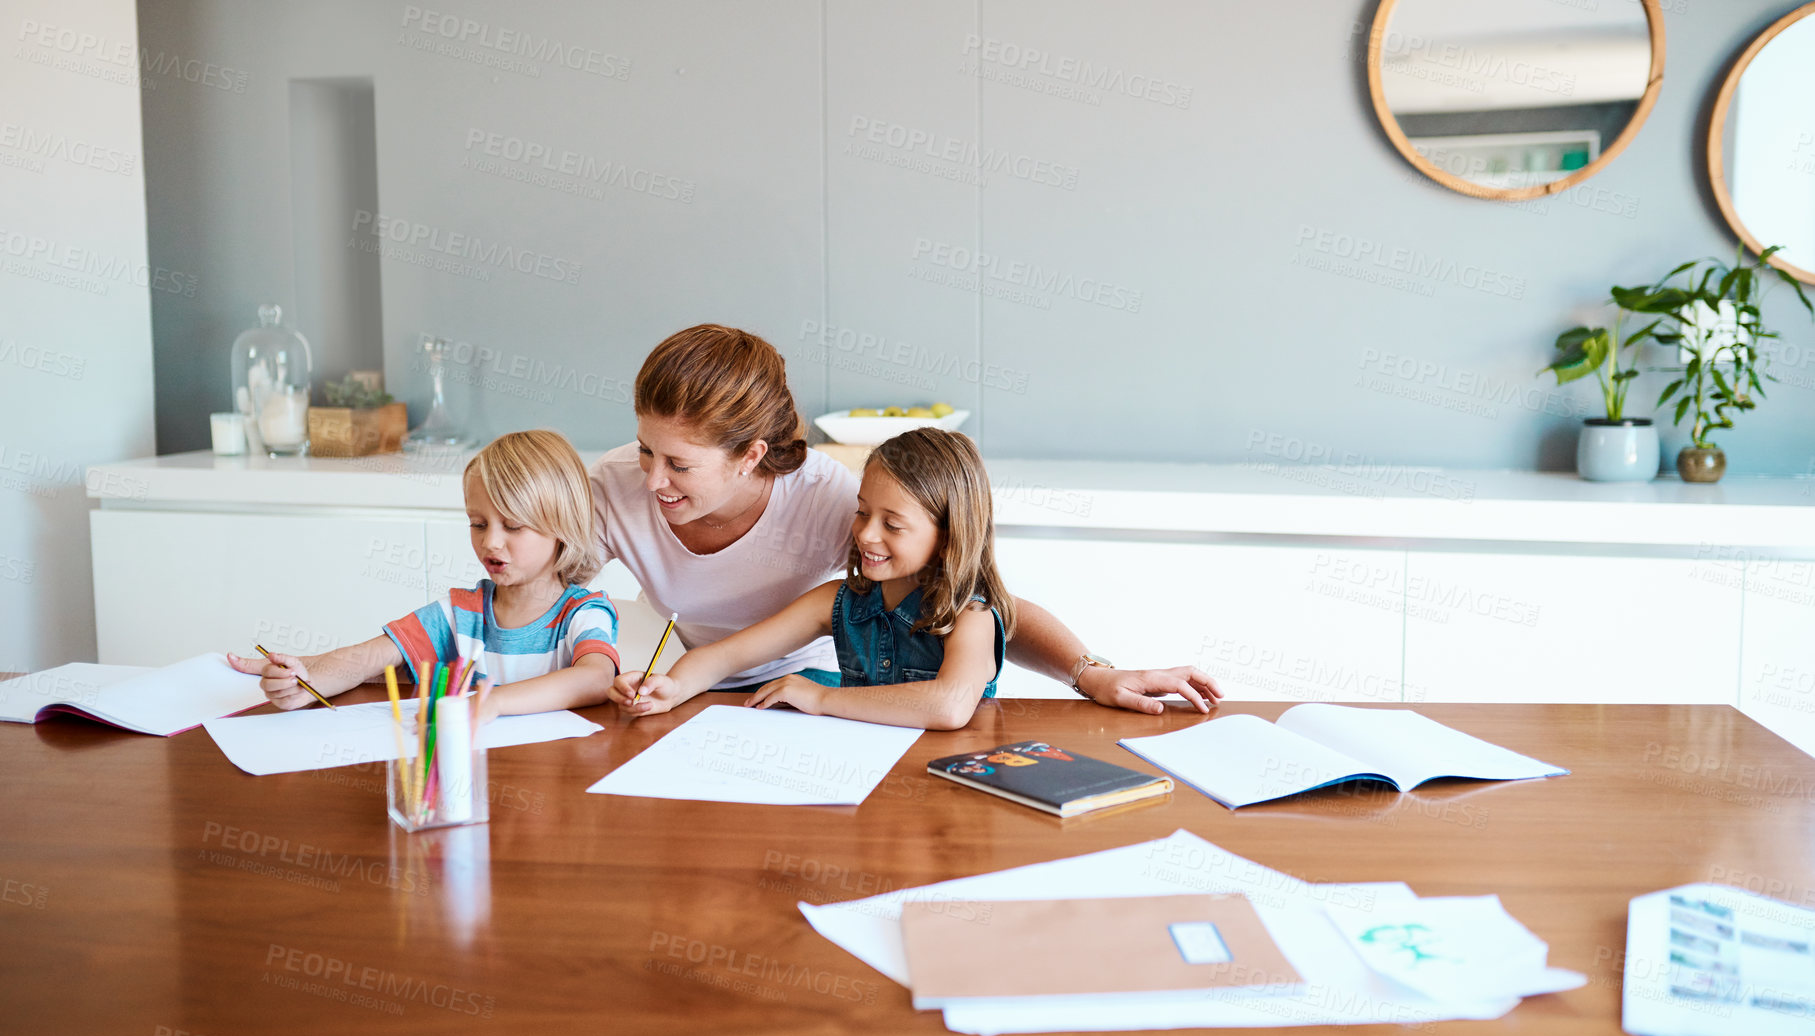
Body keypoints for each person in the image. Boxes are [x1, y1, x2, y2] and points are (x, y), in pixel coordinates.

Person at [590, 324, 1222, 713]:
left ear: (751, 456)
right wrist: (665, 682)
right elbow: (547, 589)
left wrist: (1094, 675)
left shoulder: (839, 502)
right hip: (733, 698)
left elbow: (987, 605)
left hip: (819, 697)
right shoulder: (616, 487)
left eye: (679, 463)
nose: (652, 480)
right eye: (646, 450)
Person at [612, 428, 1010, 729]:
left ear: (948, 536)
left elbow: (950, 705)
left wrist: (821, 697)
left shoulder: (971, 616)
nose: (867, 534)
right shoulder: (839, 601)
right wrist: (671, 688)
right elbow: (726, 655)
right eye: (862, 512)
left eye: (892, 524)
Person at [230, 430, 619, 722]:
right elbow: (365, 659)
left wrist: (494, 703)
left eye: (513, 526)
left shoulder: (583, 614)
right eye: (478, 523)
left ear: (562, 528)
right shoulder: (459, 613)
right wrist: (304, 682)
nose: (491, 542)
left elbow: (595, 679)